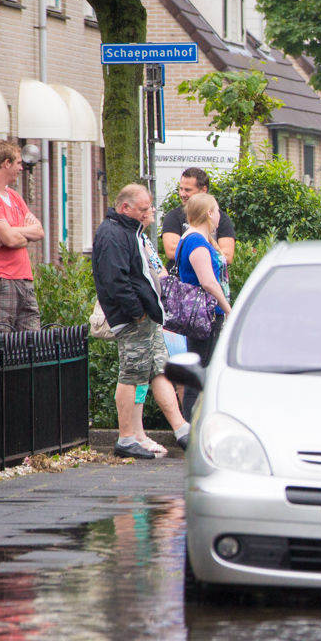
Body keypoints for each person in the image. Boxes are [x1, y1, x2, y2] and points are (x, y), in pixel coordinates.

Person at [92, 184, 189, 458]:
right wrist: (137, 311)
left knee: (157, 368)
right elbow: (115, 280)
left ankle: (180, 428)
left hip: (146, 316)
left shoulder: (129, 231)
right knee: (132, 373)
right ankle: (126, 438)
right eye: (144, 209)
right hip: (133, 318)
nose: (149, 213)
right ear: (126, 208)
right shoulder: (113, 234)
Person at [0, 141, 45, 334]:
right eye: (18, 163)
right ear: (6, 163)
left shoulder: (13, 196)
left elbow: (39, 231)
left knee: (33, 344)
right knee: (1, 345)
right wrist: (18, 234)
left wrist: (12, 230)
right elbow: (11, 240)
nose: (21, 168)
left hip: (24, 279)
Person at [176, 191, 233, 420]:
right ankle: (193, 424)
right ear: (209, 213)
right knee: (200, 371)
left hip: (203, 313)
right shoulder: (196, 241)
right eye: (217, 210)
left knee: (201, 368)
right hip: (205, 314)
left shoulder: (194, 238)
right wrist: (228, 309)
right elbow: (208, 281)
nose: (219, 215)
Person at [161, 166, 235, 267]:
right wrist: (203, 255)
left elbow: (227, 256)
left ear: (203, 190)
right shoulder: (173, 216)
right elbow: (172, 251)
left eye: (187, 190)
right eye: (181, 189)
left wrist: (198, 255)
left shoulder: (221, 218)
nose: (182, 194)